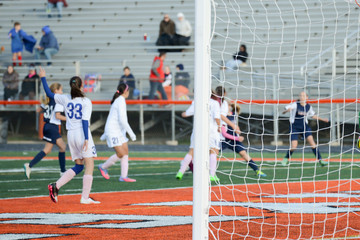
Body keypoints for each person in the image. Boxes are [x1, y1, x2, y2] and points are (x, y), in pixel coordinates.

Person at [39, 67, 100, 204]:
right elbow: (84, 121)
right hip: (81, 133)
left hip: (71, 135)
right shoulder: (86, 101)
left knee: (79, 166)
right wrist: (86, 138)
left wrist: (43, 77)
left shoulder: (65, 98)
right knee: (89, 164)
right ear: (82, 86)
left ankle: (56, 186)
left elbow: (49, 93)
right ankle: (85, 197)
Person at [175, 92, 221, 182]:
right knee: (213, 151)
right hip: (210, 130)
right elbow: (216, 117)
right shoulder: (214, 103)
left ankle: (180, 172)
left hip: (197, 129)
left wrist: (184, 113)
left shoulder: (196, 101)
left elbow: (186, 114)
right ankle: (212, 174)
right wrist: (219, 126)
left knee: (191, 151)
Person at [23, 83, 66, 179]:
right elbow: (57, 116)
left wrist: (46, 108)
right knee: (56, 148)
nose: (62, 92)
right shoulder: (57, 100)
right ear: (55, 91)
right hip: (52, 126)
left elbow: (38, 110)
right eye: (60, 90)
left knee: (57, 148)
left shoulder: (48, 100)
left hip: (47, 126)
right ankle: (29, 165)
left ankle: (62, 171)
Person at [98, 83, 137, 182]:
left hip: (118, 131)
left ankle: (123, 177)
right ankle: (103, 167)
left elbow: (113, 118)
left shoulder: (120, 100)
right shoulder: (120, 101)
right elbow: (122, 121)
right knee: (120, 153)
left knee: (125, 153)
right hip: (113, 132)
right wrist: (132, 134)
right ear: (126, 91)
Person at [281, 91, 329, 167]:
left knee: (313, 144)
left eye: (303, 96)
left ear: (307, 97)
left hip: (304, 127)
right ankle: (286, 158)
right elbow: (285, 110)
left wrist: (323, 119)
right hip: (295, 127)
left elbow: (313, 115)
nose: (301, 97)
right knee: (294, 146)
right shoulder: (295, 104)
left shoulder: (308, 107)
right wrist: (286, 111)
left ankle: (320, 160)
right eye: (300, 95)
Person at [220, 102, 266, 177]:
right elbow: (224, 133)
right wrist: (237, 137)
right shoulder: (222, 116)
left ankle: (257, 170)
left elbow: (235, 125)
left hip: (235, 139)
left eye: (228, 105)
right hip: (224, 139)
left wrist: (237, 130)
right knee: (213, 153)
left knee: (244, 154)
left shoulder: (233, 114)